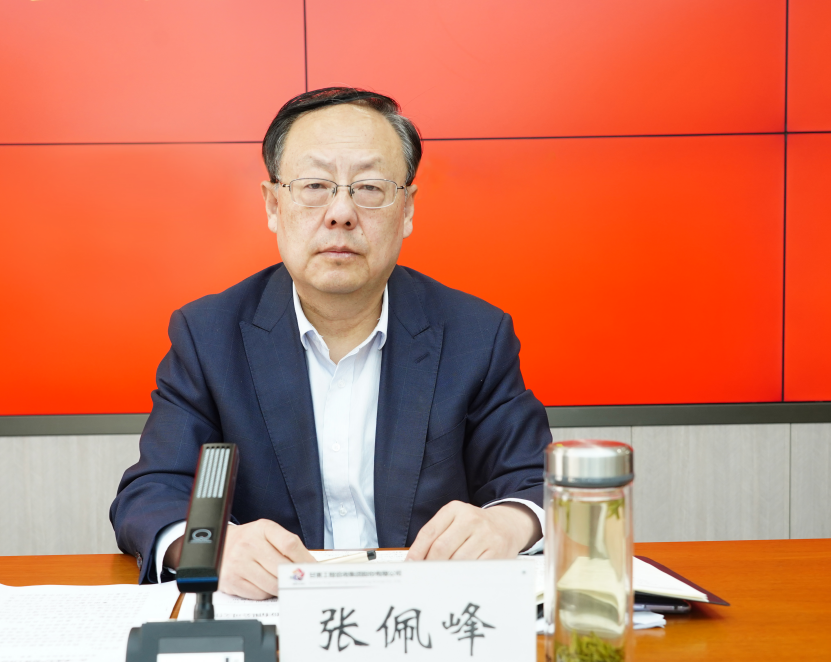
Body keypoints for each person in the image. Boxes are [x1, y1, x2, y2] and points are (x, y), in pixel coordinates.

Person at [110, 87, 552, 599]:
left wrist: (507, 524)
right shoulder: (209, 336)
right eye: (315, 185)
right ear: (273, 204)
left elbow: (534, 480)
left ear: (407, 209)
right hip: (274, 613)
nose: (341, 212)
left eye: (369, 187)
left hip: (422, 617)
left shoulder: (475, 335)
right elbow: (152, 493)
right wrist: (212, 546)